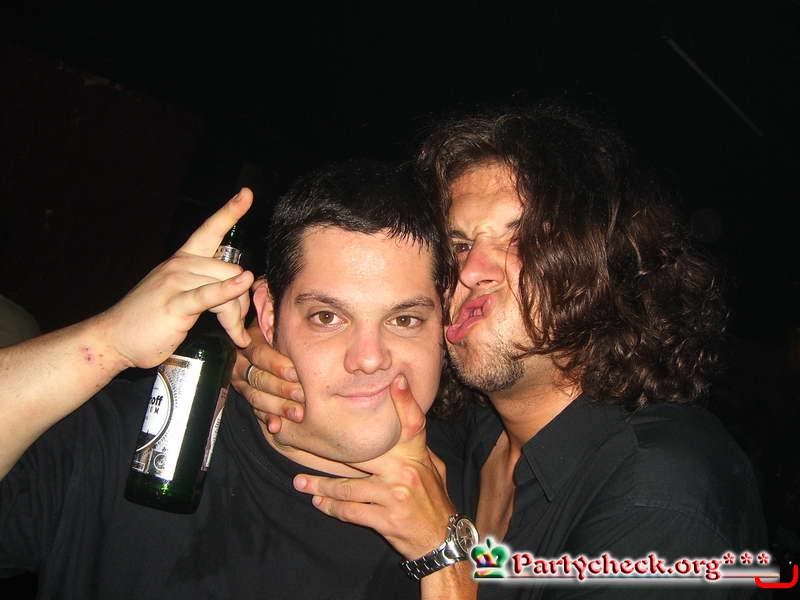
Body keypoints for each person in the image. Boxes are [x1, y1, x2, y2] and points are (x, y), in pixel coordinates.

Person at [235, 105, 769, 598]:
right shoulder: (471, 427)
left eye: (521, 239)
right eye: (460, 245)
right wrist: (254, 350)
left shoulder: (660, 493)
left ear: (603, 264)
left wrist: (444, 555)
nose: (471, 270)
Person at [0, 160, 470, 599]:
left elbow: (500, 570)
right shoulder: (136, 439)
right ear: (268, 314)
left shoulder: (478, 485)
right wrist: (105, 342)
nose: (369, 359)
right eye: (327, 317)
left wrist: (447, 556)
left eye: (404, 320)